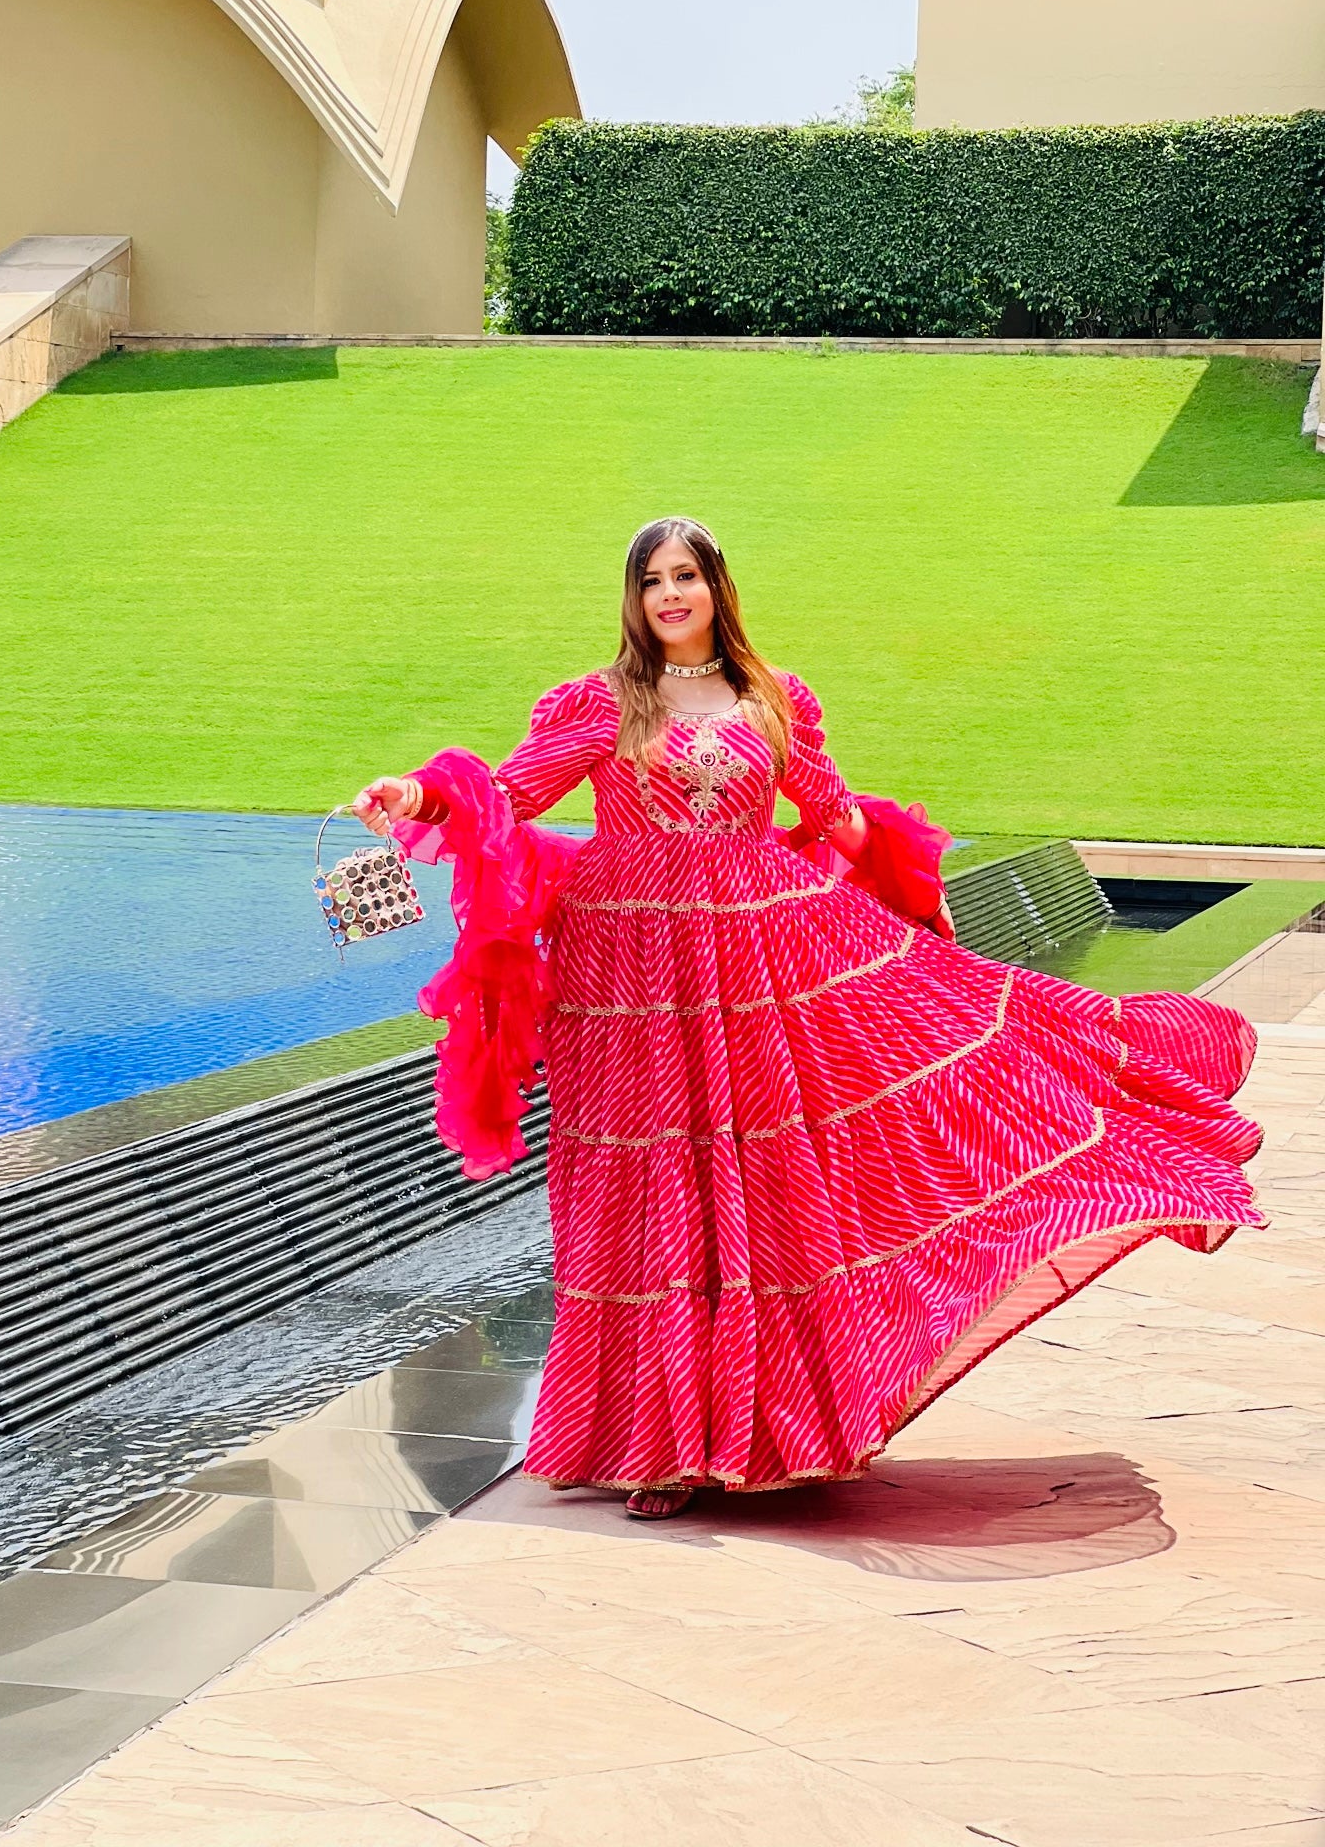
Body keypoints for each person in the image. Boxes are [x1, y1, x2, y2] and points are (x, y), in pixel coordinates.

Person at [354, 517, 1263, 1520]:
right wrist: (415, 794)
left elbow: (835, 816)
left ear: (717, 587)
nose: (669, 595)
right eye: (651, 580)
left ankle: (769, 1429)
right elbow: (508, 791)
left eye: (686, 576)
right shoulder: (603, 702)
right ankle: (655, 1447)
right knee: (649, 1183)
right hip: (629, 976)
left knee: (759, 1183)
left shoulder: (772, 700)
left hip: (755, 967)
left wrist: (914, 900)